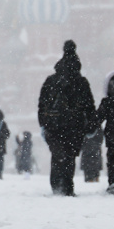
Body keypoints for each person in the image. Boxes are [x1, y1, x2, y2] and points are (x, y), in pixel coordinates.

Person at [38, 40, 97, 196]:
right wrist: (91, 124)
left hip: (54, 124)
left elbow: (42, 103)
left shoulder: (51, 80)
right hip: (75, 126)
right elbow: (89, 105)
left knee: (57, 155)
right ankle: (67, 186)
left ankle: (57, 185)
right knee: (69, 156)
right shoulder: (82, 82)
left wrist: (43, 122)